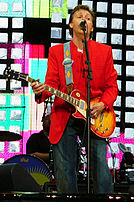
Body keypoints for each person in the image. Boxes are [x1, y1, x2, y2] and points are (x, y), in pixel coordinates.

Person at [31, 5, 118, 194]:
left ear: (92, 27)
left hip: (95, 116)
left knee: (101, 168)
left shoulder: (104, 52)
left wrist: (103, 104)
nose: (84, 19)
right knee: (64, 170)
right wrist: (40, 91)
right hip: (64, 114)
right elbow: (51, 83)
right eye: (79, 16)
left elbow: (112, 86)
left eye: (88, 17)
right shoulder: (58, 52)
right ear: (71, 24)